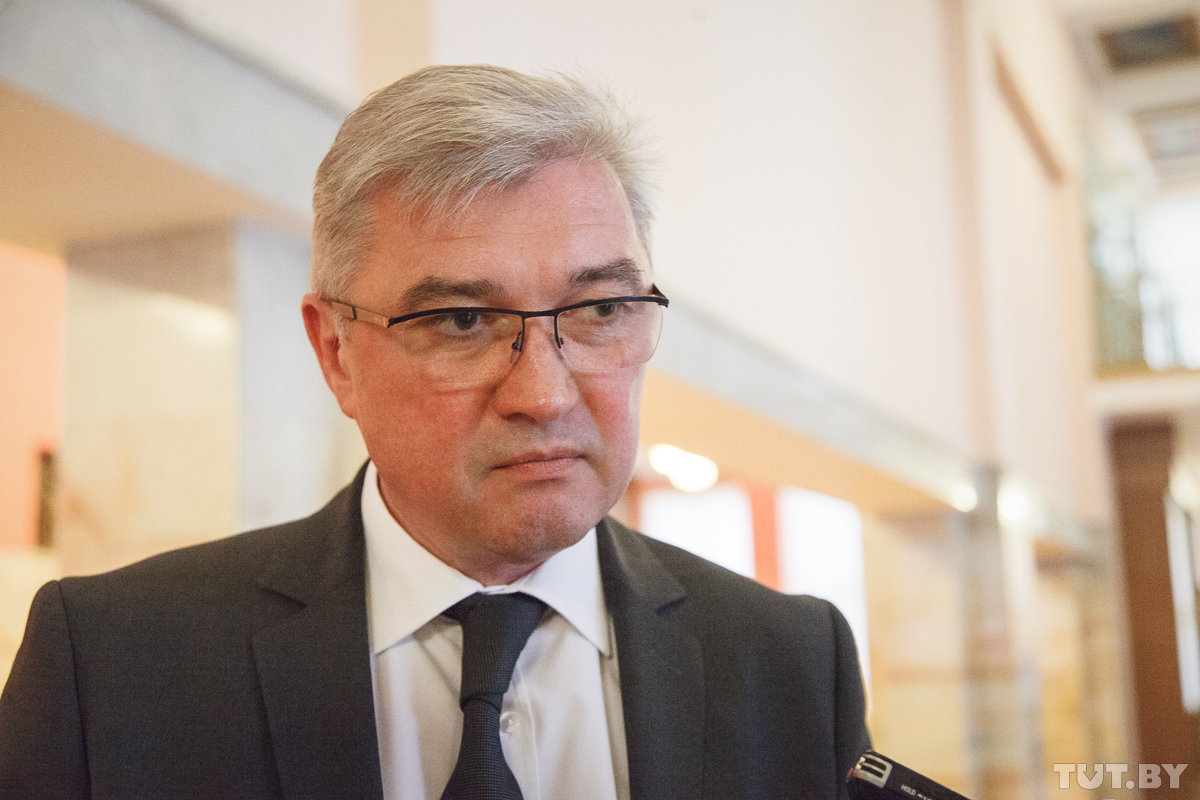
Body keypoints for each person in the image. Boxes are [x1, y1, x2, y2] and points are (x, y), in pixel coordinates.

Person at [0, 65, 869, 799]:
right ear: (336, 352)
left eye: (602, 309)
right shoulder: (113, 665)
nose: (543, 394)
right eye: (461, 321)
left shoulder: (792, 662)